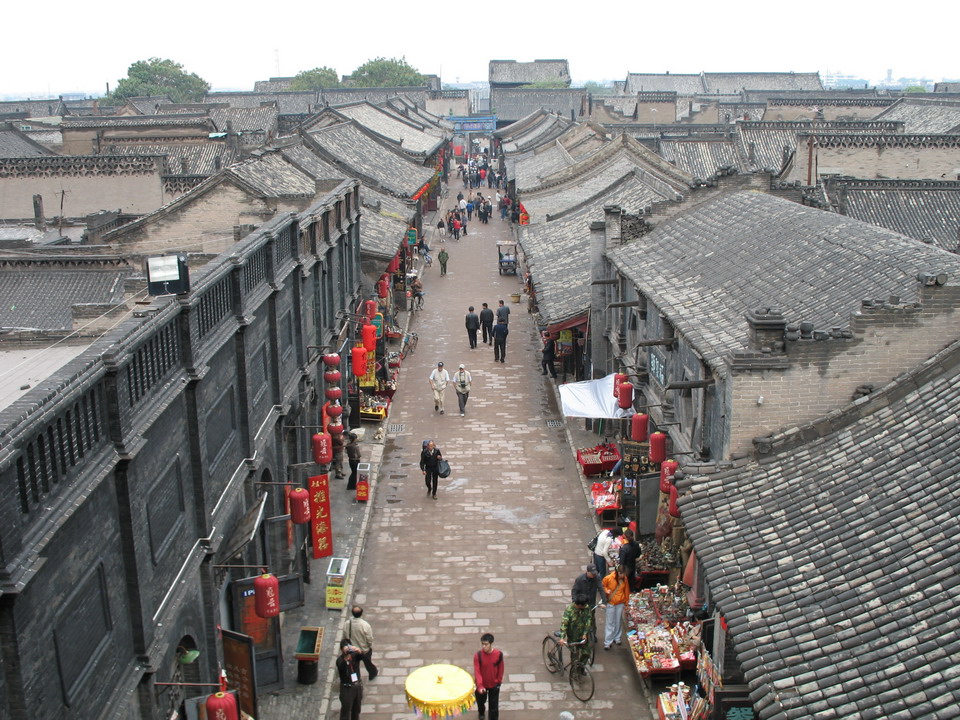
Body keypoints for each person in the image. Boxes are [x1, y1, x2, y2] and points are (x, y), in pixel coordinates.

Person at [473, 633, 504, 720]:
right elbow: (477, 671)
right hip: (481, 685)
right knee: (480, 701)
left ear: (491, 644)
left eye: (486, 644)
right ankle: (481, 712)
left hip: (494, 685)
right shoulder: (478, 655)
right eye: (482, 644)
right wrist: (480, 685)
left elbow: (501, 669)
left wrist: (498, 681)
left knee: (494, 706)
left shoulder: (498, 654)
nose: (484, 646)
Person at [559, 596, 593, 667]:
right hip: (573, 638)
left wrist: (585, 633)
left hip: (583, 637)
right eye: (583, 606)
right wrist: (562, 637)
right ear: (579, 605)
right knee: (575, 658)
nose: (585, 606)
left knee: (586, 653)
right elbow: (564, 624)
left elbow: (588, 619)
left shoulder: (586, 607)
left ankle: (581, 667)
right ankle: (573, 675)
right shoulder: (569, 610)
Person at [601, 565, 630, 650]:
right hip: (611, 602)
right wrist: (606, 590)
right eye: (622, 574)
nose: (623, 576)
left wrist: (626, 602)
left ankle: (617, 637)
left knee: (618, 621)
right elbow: (602, 586)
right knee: (610, 622)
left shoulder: (625, 579)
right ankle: (607, 641)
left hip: (620, 603)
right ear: (618, 573)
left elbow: (626, 591)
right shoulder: (608, 578)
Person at [336, 638, 365, 720]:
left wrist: (359, 651)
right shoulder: (340, 660)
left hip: (357, 685)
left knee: (356, 709)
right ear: (342, 649)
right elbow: (342, 668)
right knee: (346, 710)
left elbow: (363, 657)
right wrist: (346, 659)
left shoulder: (354, 655)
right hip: (347, 688)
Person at [347, 606, 378, 679]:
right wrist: (369, 646)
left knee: (354, 666)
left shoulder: (347, 624)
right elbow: (369, 638)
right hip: (364, 649)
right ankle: (372, 673)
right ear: (361, 614)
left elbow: (346, 636)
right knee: (368, 663)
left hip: (352, 650)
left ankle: (356, 679)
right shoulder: (365, 625)